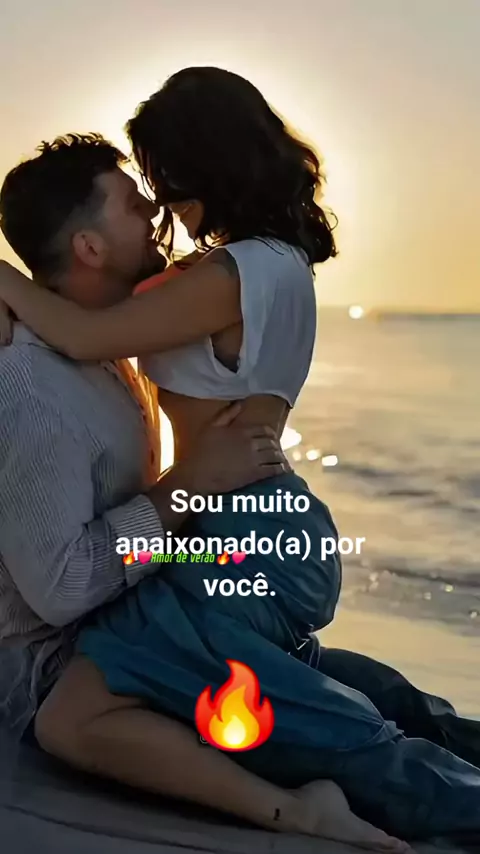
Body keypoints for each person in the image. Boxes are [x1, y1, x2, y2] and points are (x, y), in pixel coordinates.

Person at [0, 68, 479, 841]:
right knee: (306, 687)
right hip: (251, 517)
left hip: (243, 520)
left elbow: (83, 332)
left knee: (296, 720)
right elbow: (81, 329)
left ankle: (430, 803)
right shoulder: (255, 268)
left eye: (158, 178)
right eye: (137, 196)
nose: (157, 202)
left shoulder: (227, 275)